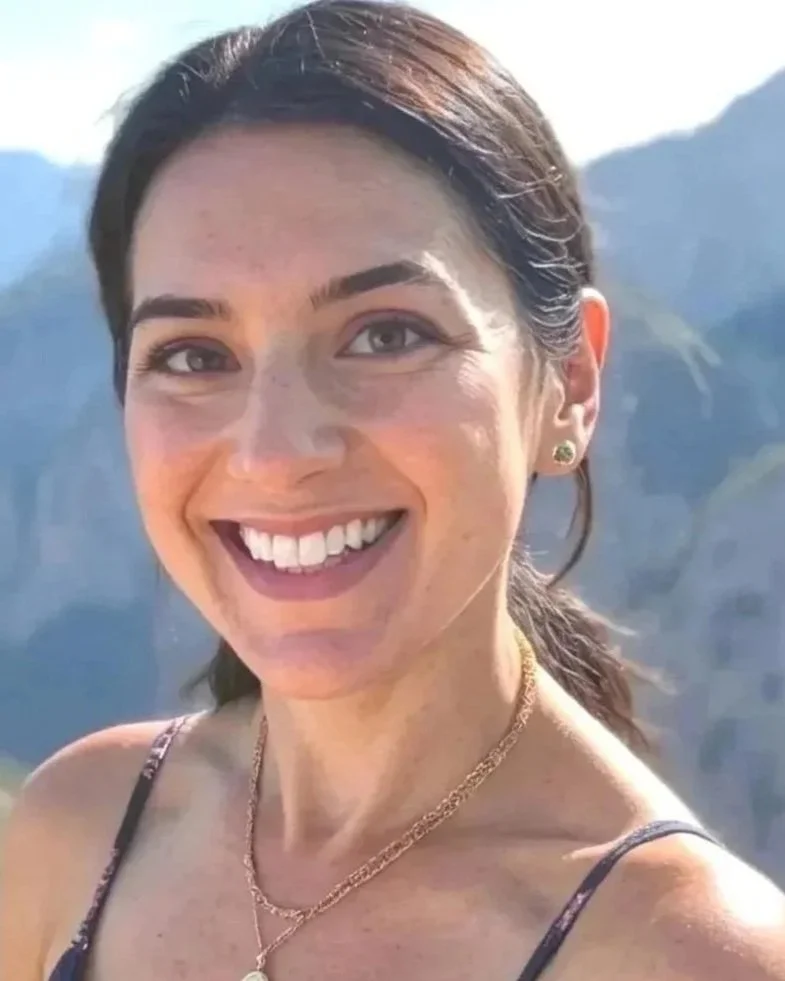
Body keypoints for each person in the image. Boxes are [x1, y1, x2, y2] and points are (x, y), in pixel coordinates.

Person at [2, 1, 784, 978]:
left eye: (385, 334)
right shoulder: (77, 835)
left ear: (569, 386)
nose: (276, 451)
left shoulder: (688, 956)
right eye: (194, 353)